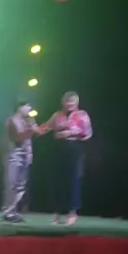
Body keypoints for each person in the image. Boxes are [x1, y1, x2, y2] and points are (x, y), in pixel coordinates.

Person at [41, 91, 92, 224]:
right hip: (59, 148)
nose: (69, 104)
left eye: (72, 101)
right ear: (63, 102)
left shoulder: (82, 115)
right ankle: (57, 213)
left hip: (74, 148)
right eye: (67, 101)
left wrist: (69, 132)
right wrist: (34, 129)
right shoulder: (57, 115)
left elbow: (87, 132)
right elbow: (46, 126)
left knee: (73, 179)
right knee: (58, 180)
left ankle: (72, 212)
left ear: (76, 102)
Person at [1, 99, 41, 223]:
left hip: (26, 155)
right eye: (27, 106)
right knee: (12, 184)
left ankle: (13, 211)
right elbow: (17, 138)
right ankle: (8, 212)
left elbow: (38, 132)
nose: (29, 109)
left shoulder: (29, 120)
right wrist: (31, 131)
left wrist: (46, 127)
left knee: (21, 186)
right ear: (20, 107)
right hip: (14, 155)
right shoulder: (11, 121)